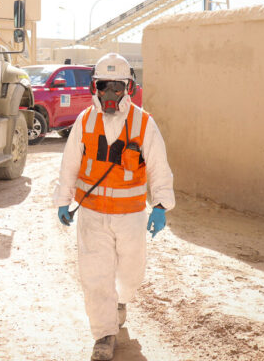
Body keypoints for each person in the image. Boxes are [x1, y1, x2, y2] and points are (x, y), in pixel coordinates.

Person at [53, 53, 174, 361]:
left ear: (128, 88)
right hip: (92, 215)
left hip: (131, 216)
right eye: (104, 85)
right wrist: (63, 200)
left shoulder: (144, 123)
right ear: (96, 87)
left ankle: (121, 301)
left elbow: (159, 166)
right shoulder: (85, 120)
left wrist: (159, 205)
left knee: (131, 274)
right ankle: (104, 334)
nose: (110, 93)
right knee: (95, 276)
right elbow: (70, 164)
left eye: (116, 86)